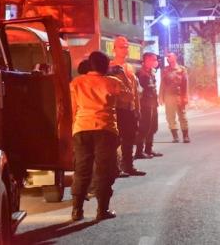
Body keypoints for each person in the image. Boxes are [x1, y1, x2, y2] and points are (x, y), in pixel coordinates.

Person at [70, 51, 126, 221]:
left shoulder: (77, 82)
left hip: (81, 129)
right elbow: (129, 98)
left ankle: (76, 210)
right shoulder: (113, 82)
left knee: (81, 169)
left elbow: (73, 108)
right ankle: (102, 211)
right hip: (105, 130)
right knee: (104, 170)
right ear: (105, 65)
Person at [108, 36, 146, 176]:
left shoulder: (129, 67)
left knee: (129, 139)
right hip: (117, 109)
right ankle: (115, 168)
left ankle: (128, 166)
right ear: (114, 49)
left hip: (130, 109)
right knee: (116, 140)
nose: (125, 49)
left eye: (126, 46)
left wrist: (137, 108)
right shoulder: (110, 68)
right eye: (121, 47)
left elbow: (135, 91)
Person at [134, 52, 163, 159]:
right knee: (144, 128)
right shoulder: (141, 74)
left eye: (155, 59)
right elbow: (139, 90)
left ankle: (149, 149)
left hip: (152, 103)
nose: (155, 62)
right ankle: (139, 151)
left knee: (152, 127)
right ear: (146, 61)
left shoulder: (151, 72)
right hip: (145, 104)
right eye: (153, 59)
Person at [159, 52, 190, 143]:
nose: (168, 58)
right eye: (167, 57)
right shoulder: (165, 70)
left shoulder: (181, 69)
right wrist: (160, 96)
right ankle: (175, 136)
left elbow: (185, 84)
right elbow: (162, 84)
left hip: (179, 95)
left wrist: (185, 97)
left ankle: (186, 136)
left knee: (182, 116)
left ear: (175, 57)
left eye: (169, 56)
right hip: (168, 96)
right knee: (170, 117)